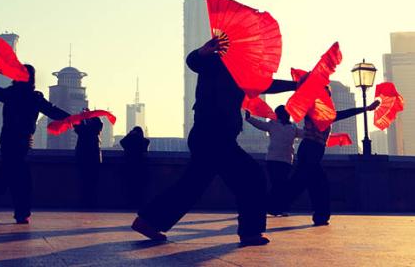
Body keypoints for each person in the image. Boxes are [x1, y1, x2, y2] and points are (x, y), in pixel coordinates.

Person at [132, 37, 297, 247]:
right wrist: (202, 51)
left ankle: (147, 221)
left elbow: (265, 84)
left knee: (192, 185)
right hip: (212, 134)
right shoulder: (215, 61)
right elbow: (193, 62)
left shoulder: (242, 72)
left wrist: (296, 84)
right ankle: (250, 232)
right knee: (252, 177)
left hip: (214, 136)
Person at [0, 61, 70, 224]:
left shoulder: (12, 93)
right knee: (19, 178)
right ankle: (18, 213)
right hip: (21, 143)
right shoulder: (34, 97)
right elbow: (53, 111)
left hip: (9, 142)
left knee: (6, 178)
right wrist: (74, 119)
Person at [284, 89, 379, 226]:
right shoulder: (315, 110)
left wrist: (366, 108)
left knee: (309, 181)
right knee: (313, 182)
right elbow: (343, 114)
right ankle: (278, 203)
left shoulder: (322, 111)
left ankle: (282, 204)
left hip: (312, 149)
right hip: (310, 149)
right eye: (326, 96)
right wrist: (366, 108)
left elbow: (339, 115)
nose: (328, 99)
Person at [245, 106, 303, 216]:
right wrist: (249, 118)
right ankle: (275, 208)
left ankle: (273, 208)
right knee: (278, 184)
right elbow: (260, 124)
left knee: (280, 185)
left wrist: (317, 130)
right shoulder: (273, 124)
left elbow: (305, 134)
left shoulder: (293, 127)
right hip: (274, 160)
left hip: (285, 161)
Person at [74, 111, 103, 209]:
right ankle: (89, 202)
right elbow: (78, 128)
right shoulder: (92, 129)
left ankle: (88, 202)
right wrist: (84, 118)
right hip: (91, 158)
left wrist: (84, 118)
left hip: (87, 158)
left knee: (88, 183)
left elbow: (78, 128)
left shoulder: (92, 129)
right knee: (88, 183)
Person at [119, 126, 150, 208]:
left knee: (130, 186)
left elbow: (122, 142)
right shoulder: (145, 141)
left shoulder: (129, 142)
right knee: (139, 187)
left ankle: (130, 203)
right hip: (140, 167)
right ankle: (138, 203)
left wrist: (129, 135)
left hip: (130, 166)